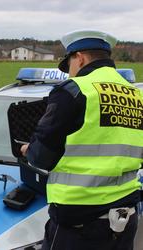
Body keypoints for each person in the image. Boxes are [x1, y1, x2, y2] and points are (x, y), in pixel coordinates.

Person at [20, 30, 143, 250]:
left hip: (79, 223)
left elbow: (41, 157)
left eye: (68, 67)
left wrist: (30, 150)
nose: (69, 74)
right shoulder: (137, 96)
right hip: (126, 217)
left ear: (79, 57)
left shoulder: (76, 90)